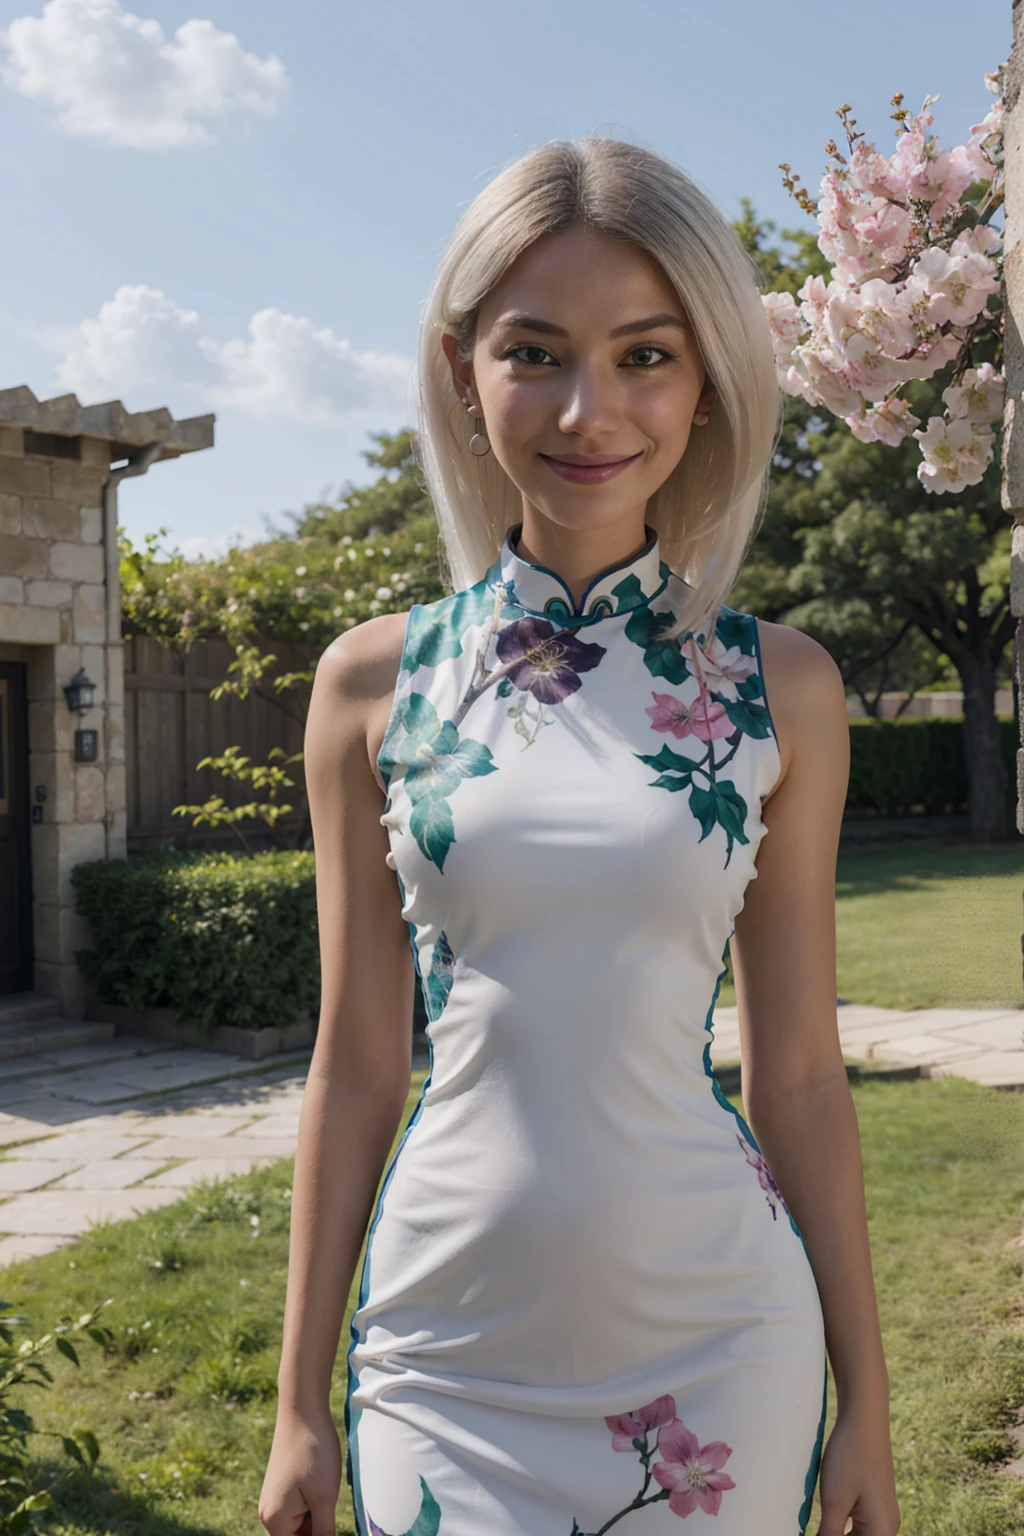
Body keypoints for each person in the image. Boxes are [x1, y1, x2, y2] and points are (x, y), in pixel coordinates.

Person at [259, 137, 901, 1536]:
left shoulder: (780, 688)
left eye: (646, 356)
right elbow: (359, 1063)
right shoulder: (370, 684)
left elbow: (796, 1073)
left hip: (721, 1346)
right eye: (535, 352)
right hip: (443, 1350)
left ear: (711, 376)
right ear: (459, 370)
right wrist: (299, 1404)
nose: (587, 409)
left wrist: (869, 1402)